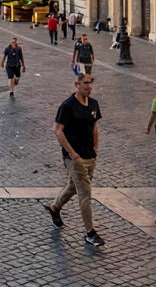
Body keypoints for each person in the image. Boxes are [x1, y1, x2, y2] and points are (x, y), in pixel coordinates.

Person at [43, 73, 104, 247]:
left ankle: (54, 207)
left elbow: (95, 127)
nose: (89, 86)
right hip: (74, 158)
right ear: (77, 85)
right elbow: (58, 130)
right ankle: (90, 232)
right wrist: (72, 154)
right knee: (85, 194)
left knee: (73, 186)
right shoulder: (67, 106)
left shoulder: (93, 104)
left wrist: (96, 148)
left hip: (89, 155)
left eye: (90, 83)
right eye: (85, 83)